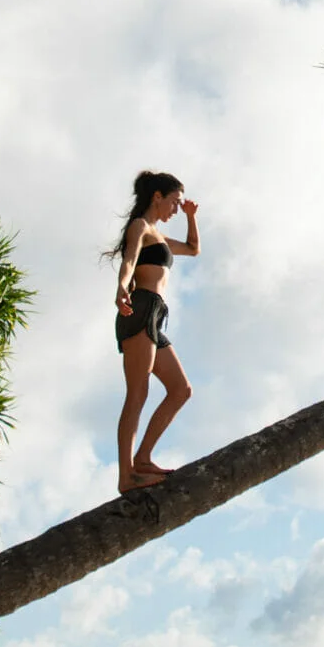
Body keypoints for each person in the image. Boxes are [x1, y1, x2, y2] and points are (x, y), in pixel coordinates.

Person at [108, 170, 199, 493]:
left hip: (156, 317)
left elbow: (192, 248)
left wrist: (190, 217)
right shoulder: (141, 227)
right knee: (138, 394)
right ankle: (126, 476)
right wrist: (121, 286)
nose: (176, 209)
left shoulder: (160, 237)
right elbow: (130, 260)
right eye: (174, 202)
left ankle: (143, 458)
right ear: (157, 197)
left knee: (181, 389)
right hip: (140, 308)